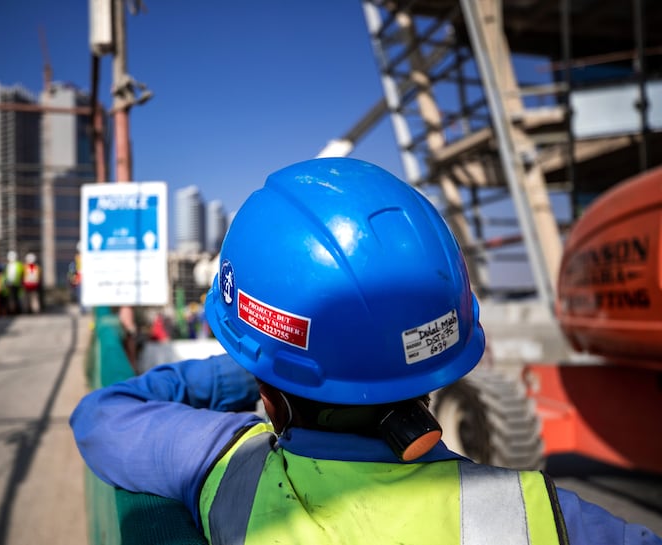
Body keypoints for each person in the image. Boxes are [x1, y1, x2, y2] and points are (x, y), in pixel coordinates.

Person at [70, 158, 662, 545]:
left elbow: (100, 416)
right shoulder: (544, 516)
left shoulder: (230, 471)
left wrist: (246, 365)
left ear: (268, 394)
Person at [4, 250, 24, 315]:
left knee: (11, 298)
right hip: (16, 284)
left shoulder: (8, 265)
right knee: (15, 298)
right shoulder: (19, 264)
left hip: (12, 284)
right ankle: (16, 311)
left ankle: (12, 311)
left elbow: (6, 275)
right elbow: (21, 274)